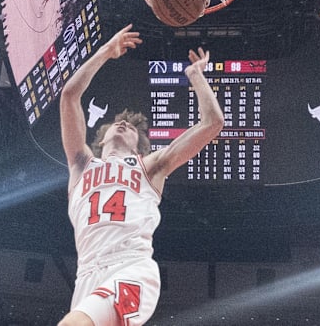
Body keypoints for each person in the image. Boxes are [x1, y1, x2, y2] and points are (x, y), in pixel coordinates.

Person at [57, 24, 224, 326]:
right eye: (115, 125)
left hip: (131, 267)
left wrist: (197, 77)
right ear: (102, 138)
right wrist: (105, 52)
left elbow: (213, 123)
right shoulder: (81, 164)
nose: (122, 125)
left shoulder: (150, 167)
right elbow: (69, 96)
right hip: (87, 275)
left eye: (131, 128)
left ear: (139, 148)